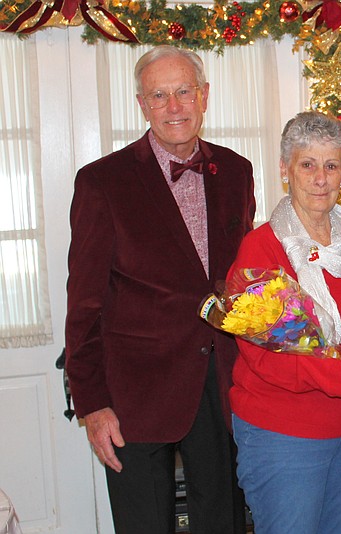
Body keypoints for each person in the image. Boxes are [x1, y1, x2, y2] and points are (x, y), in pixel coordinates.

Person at [65, 45, 255, 534]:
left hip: (219, 385)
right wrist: (91, 403)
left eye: (184, 91)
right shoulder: (102, 182)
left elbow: (241, 277)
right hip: (134, 395)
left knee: (224, 522)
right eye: (160, 95)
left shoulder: (236, 172)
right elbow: (84, 303)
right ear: (142, 104)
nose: (175, 106)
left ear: (204, 96)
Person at [228, 111, 341, 534]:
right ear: (285, 169)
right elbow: (263, 357)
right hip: (282, 435)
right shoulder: (262, 250)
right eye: (307, 164)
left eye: (331, 166)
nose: (320, 178)